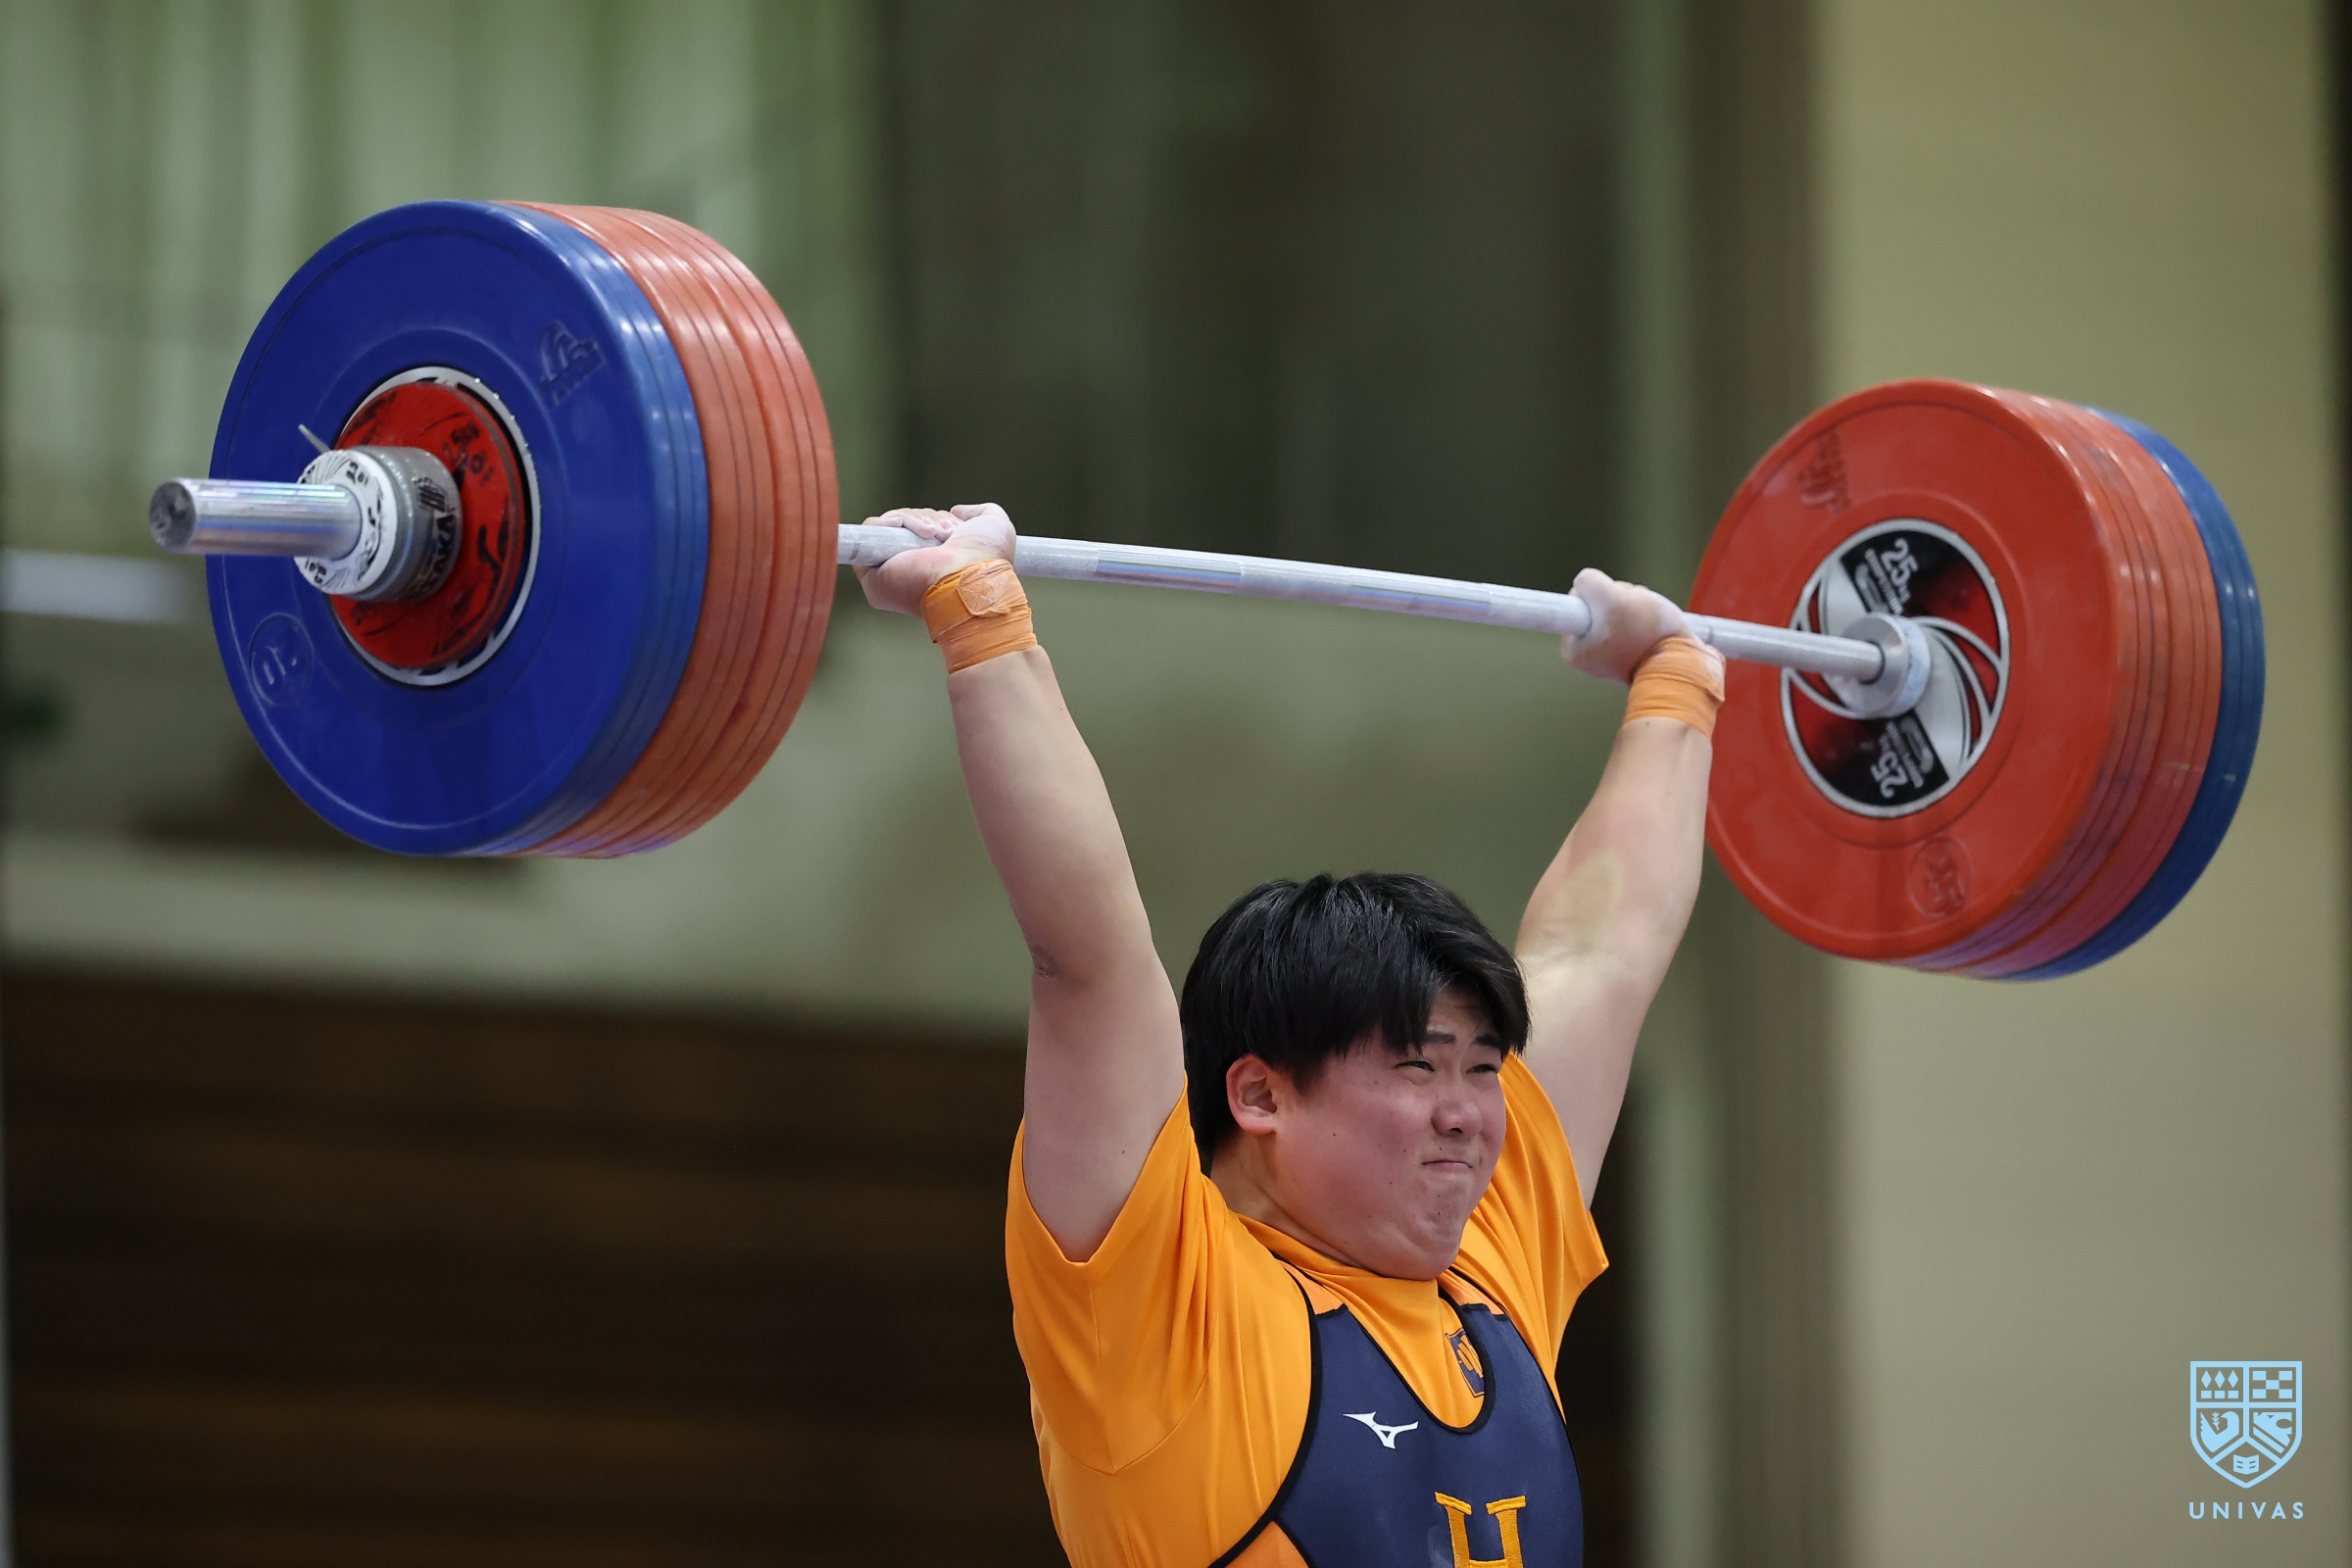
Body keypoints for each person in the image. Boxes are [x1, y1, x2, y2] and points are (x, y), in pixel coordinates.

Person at [858, 503, 1722, 1568]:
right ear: (1261, 1094)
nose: (1467, 1113)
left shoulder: (1490, 1266)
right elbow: (1087, 961)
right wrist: (979, 613)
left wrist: (1678, 682)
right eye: (1418, 1066)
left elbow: (1602, 951)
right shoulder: (1168, 1319)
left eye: (1482, 1068)